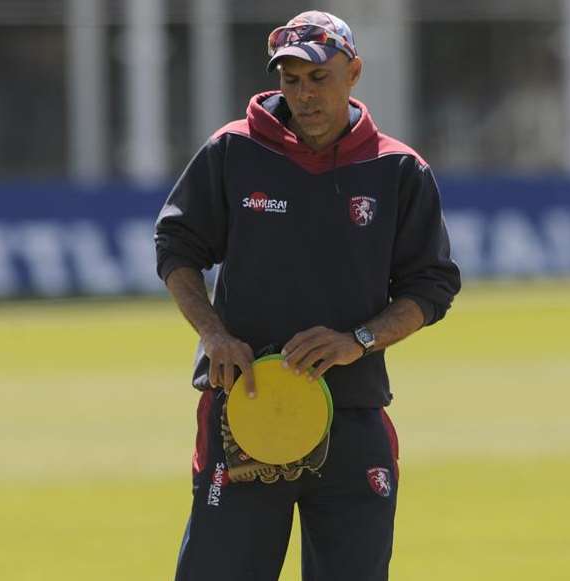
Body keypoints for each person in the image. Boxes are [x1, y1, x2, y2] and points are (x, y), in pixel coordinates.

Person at [155, 10, 461, 580]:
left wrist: (358, 340)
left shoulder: (397, 170)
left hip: (351, 415)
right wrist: (213, 333)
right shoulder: (233, 152)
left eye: (319, 78)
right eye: (290, 80)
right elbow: (175, 245)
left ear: (354, 73)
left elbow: (432, 284)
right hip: (243, 413)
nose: (304, 95)